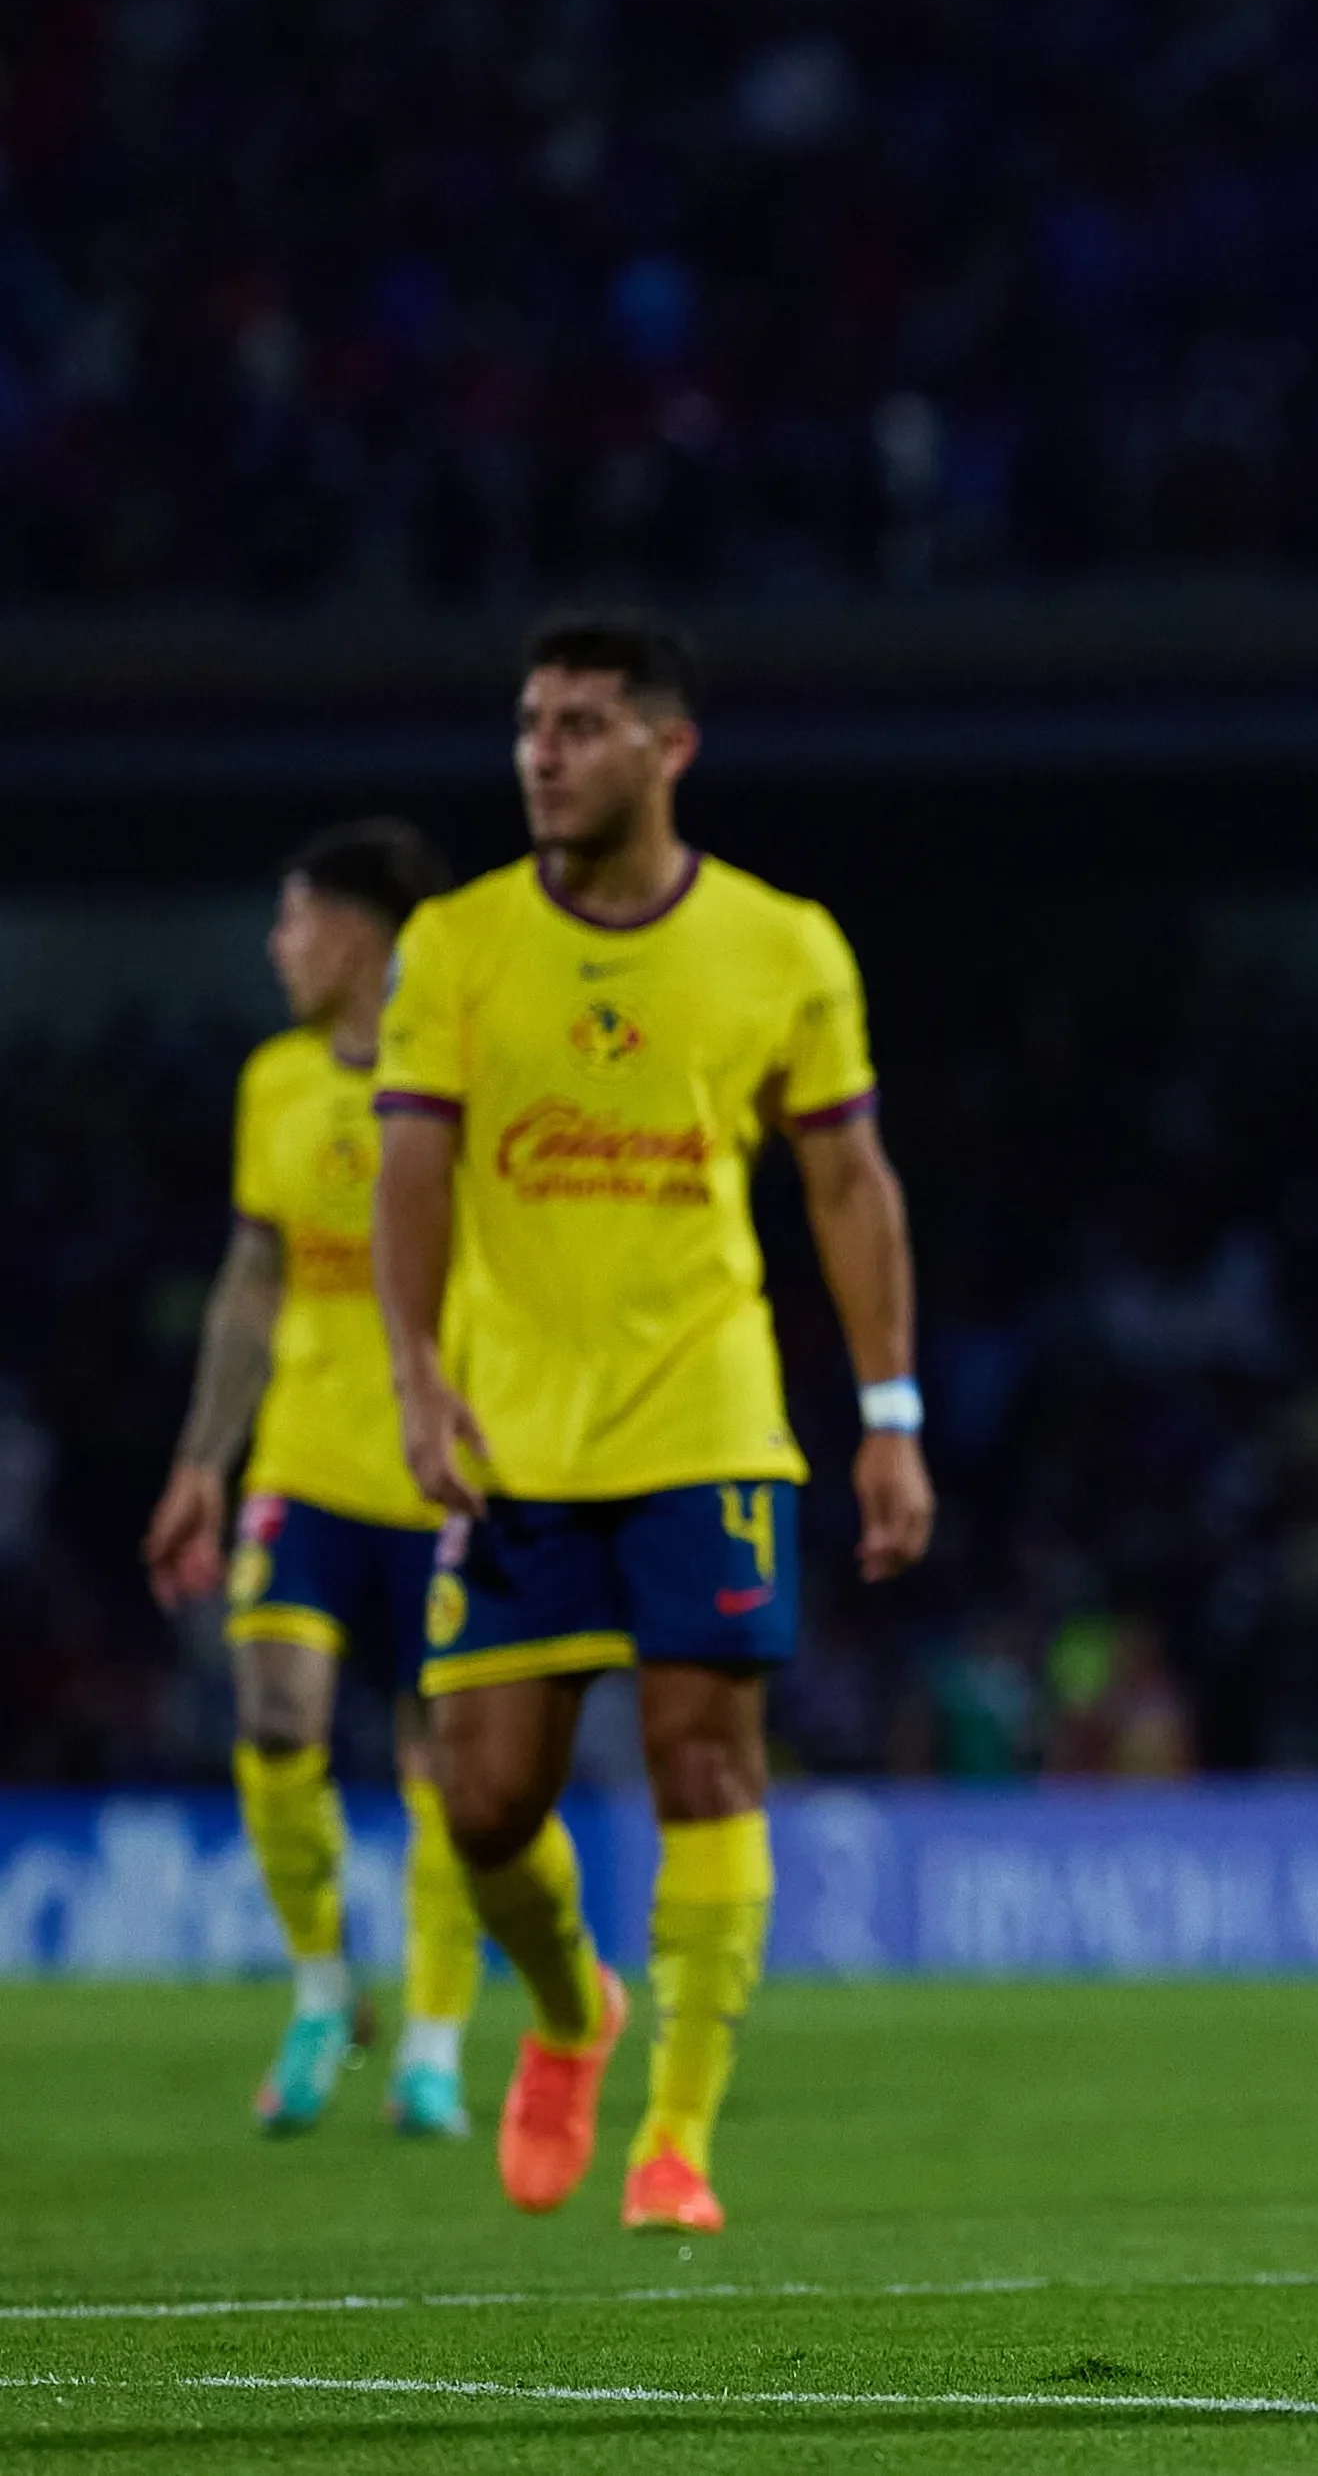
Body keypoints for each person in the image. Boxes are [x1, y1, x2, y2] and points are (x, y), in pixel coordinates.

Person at [374, 612, 934, 2235]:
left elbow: (845, 1178)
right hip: (514, 1433)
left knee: (706, 1754)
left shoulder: (781, 945)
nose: (544, 750)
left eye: (583, 724)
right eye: (531, 722)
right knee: (483, 1801)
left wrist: (888, 1415)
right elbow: (412, 1165)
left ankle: (675, 2138)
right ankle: (569, 2013)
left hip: (707, 1413)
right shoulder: (459, 945)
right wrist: (416, 1370)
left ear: (668, 748)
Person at [143, 819, 481, 2140]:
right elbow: (249, 1278)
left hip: (443, 1470)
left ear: (361, 933)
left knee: (443, 1762)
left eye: (294, 921)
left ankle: (437, 2046)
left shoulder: (463, 1076)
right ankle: (324, 1989)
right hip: (303, 1460)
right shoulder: (274, 1082)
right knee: (276, 1713)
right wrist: (199, 1461)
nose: (278, 946)